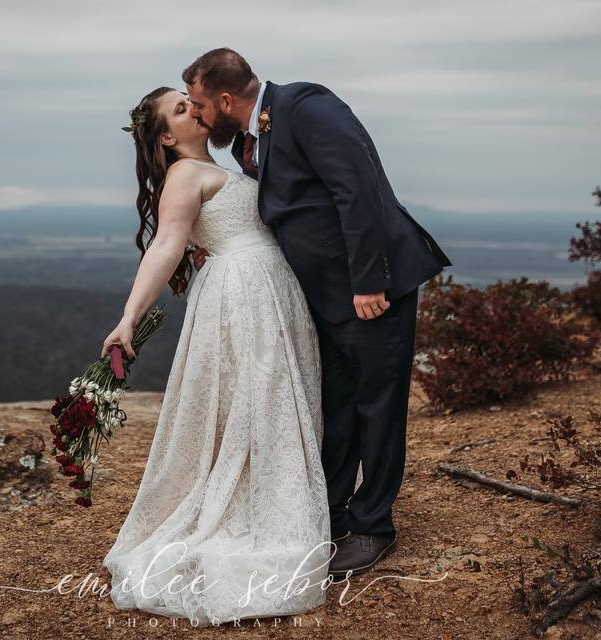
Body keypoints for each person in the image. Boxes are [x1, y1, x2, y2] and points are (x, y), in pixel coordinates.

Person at [182, 48, 453, 577]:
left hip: (371, 290)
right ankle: (328, 515)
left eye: (197, 104)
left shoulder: (306, 107)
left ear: (226, 98)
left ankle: (374, 526)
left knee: (378, 406)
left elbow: (359, 191)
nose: (195, 115)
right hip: (325, 297)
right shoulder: (249, 138)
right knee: (337, 406)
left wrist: (369, 281)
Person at [100, 86, 331, 626]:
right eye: (179, 110)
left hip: (267, 286)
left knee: (269, 395)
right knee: (256, 396)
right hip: (242, 295)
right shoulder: (184, 175)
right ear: (165, 136)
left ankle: (273, 489)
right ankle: (255, 506)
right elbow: (166, 245)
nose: (193, 110)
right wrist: (129, 317)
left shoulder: (222, 163)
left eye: (191, 101)